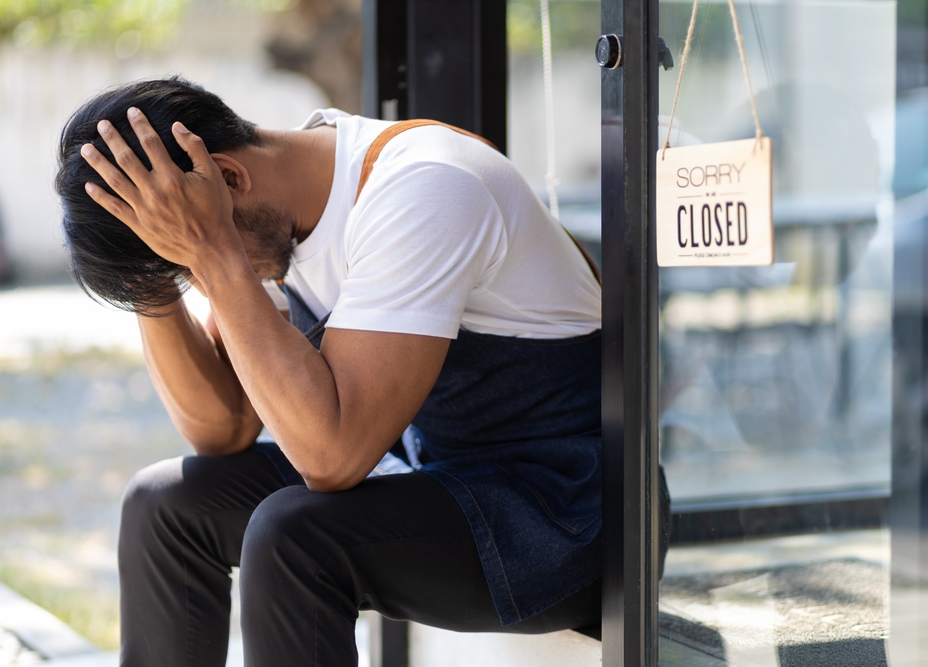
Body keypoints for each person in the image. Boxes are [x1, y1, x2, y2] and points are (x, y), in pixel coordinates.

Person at [56, 77, 667, 667]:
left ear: (230, 176)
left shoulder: (424, 186)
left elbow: (332, 457)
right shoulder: (269, 210)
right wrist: (150, 285)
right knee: (167, 505)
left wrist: (211, 253)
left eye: (187, 258)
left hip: (567, 517)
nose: (202, 274)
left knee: (293, 535)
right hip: (437, 478)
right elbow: (223, 428)